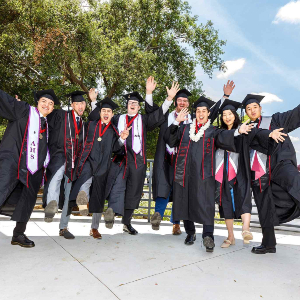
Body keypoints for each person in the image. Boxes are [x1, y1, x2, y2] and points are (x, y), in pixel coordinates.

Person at [164, 96, 255, 252]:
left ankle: (208, 236)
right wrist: (176, 122)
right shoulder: (184, 129)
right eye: (198, 111)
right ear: (195, 113)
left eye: (204, 111)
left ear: (208, 113)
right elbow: (170, 140)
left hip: (205, 175)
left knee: (206, 204)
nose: (201, 114)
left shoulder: (213, 131)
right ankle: (190, 233)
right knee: (185, 202)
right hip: (185, 174)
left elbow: (224, 137)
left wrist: (238, 130)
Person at [89, 77, 174, 235]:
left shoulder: (144, 119)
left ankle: (126, 222)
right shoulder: (117, 118)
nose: (132, 105)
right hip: (120, 159)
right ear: (126, 106)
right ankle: (110, 213)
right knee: (115, 187)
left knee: (134, 192)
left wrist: (168, 99)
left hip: (138, 161)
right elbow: (99, 119)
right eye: (130, 103)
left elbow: (158, 115)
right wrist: (94, 102)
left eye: (135, 103)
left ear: (139, 106)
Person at [151, 81, 236, 234]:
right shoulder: (167, 116)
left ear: (189, 104)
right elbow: (156, 121)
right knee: (164, 187)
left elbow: (212, 112)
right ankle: (158, 214)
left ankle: (176, 224)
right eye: (179, 100)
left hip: (187, 163)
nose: (182, 103)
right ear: (175, 102)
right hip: (167, 160)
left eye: (185, 100)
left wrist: (225, 96)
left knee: (181, 192)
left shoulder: (194, 117)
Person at [215, 99, 285, 248]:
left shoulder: (245, 128)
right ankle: (230, 237)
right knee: (226, 204)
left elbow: (257, 133)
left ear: (235, 115)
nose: (227, 117)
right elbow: (220, 139)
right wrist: (235, 132)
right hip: (224, 172)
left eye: (230, 114)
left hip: (241, 170)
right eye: (224, 114)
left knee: (244, 197)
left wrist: (270, 133)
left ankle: (245, 230)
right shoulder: (219, 131)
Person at [241, 94, 300, 254]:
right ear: (246, 112)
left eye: (255, 107)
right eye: (248, 108)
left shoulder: (276, 120)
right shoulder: (247, 130)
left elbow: (296, 114)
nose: (252, 110)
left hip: (279, 165)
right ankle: (269, 244)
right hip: (259, 174)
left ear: (260, 108)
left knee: (294, 181)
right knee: (264, 208)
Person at [0, 89, 58, 247]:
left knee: (27, 201)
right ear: (37, 102)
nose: (47, 105)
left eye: (51, 103)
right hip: (13, 163)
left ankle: (18, 234)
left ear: (52, 109)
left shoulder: (46, 125)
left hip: (34, 171)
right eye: (44, 101)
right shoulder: (23, 110)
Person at [68, 97, 130, 239]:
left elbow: (116, 149)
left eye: (109, 111)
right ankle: (83, 201)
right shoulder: (90, 125)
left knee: (99, 196)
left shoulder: (114, 130)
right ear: (100, 113)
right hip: (89, 161)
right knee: (85, 181)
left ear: (112, 114)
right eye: (103, 110)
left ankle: (94, 228)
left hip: (103, 166)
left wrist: (122, 139)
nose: (106, 113)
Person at [42, 91, 88, 239]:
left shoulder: (83, 124)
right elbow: (44, 113)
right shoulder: (61, 115)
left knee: (69, 195)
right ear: (72, 105)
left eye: (82, 103)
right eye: (77, 104)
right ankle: (51, 205)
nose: (80, 106)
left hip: (74, 163)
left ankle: (64, 227)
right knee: (55, 178)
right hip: (60, 156)